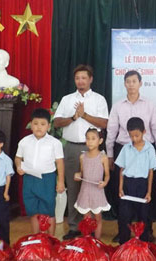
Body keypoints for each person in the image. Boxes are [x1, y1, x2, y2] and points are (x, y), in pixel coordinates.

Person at [106, 70, 156, 242]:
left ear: (140, 83)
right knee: (122, 193)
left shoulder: (149, 105)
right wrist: (109, 155)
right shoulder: (118, 106)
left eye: (134, 81)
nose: (131, 84)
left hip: (146, 151)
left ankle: (147, 231)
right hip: (124, 150)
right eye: (128, 81)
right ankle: (123, 231)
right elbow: (111, 131)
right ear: (124, 84)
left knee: (146, 193)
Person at [53, 64, 108, 240]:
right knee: (74, 187)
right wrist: (74, 117)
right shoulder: (67, 99)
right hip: (71, 148)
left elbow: (104, 123)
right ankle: (75, 227)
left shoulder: (99, 99)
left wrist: (84, 115)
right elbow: (57, 122)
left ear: (90, 79)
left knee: (92, 187)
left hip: (92, 150)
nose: (80, 81)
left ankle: (91, 228)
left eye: (84, 78)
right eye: (77, 78)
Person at [15, 108, 65, 235]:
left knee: (48, 210)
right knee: (33, 210)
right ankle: (36, 238)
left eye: (43, 124)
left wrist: (60, 182)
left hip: (47, 179)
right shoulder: (24, 141)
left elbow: (59, 163)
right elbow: (18, 158)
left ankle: (50, 239)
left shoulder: (55, 143)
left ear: (48, 126)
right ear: (31, 124)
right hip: (29, 178)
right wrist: (18, 166)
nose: (39, 127)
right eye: (35, 124)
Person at [115, 117, 156, 245]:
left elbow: (151, 172)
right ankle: (123, 244)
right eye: (131, 136)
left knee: (144, 216)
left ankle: (144, 244)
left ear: (144, 132)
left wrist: (149, 192)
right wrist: (120, 188)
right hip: (128, 184)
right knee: (124, 216)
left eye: (137, 135)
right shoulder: (125, 148)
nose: (134, 139)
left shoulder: (150, 149)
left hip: (142, 185)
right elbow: (121, 169)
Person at [73, 128, 111, 239]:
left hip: (97, 191)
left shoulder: (103, 157)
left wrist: (104, 183)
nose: (90, 141)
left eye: (93, 139)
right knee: (86, 218)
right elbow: (82, 172)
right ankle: (87, 240)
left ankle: (97, 242)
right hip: (85, 191)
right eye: (88, 138)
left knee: (98, 217)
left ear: (100, 141)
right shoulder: (82, 156)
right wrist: (78, 175)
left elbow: (107, 175)